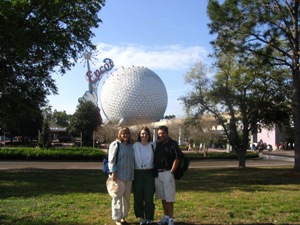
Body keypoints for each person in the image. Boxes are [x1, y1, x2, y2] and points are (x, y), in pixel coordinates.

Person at [153, 125, 183, 225]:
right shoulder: (158, 144)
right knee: (163, 197)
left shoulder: (172, 144)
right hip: (158, 174)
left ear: (167, 133)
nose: (161, 135)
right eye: (159, 134)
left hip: (167, 173)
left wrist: (172, 172)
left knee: (169, 197)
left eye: (163, 133)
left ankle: (171, 219)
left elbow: (177, 158)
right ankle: (165, 217)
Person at [108, 127, 135, 225]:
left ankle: (123, 216)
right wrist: (113, 173)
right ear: (120, 134)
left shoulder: (130, 146)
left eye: (127, 133)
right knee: (117, 197)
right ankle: (117, 218)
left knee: (126, 198)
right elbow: (111, 160)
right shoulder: (115, 145)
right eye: (123, 133)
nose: (125, 135)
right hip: (118, 176)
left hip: (128, 176)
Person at [132, 126, 156, 225]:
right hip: (137, 173)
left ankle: (149, 218)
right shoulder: (135, 146)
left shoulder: (153, 145)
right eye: (142, 134)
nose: (144, 135)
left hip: (149, 173)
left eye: (146, 134)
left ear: (149, 135)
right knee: (138, 196)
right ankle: (141, 217)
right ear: (139, 135)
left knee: (149, 196)